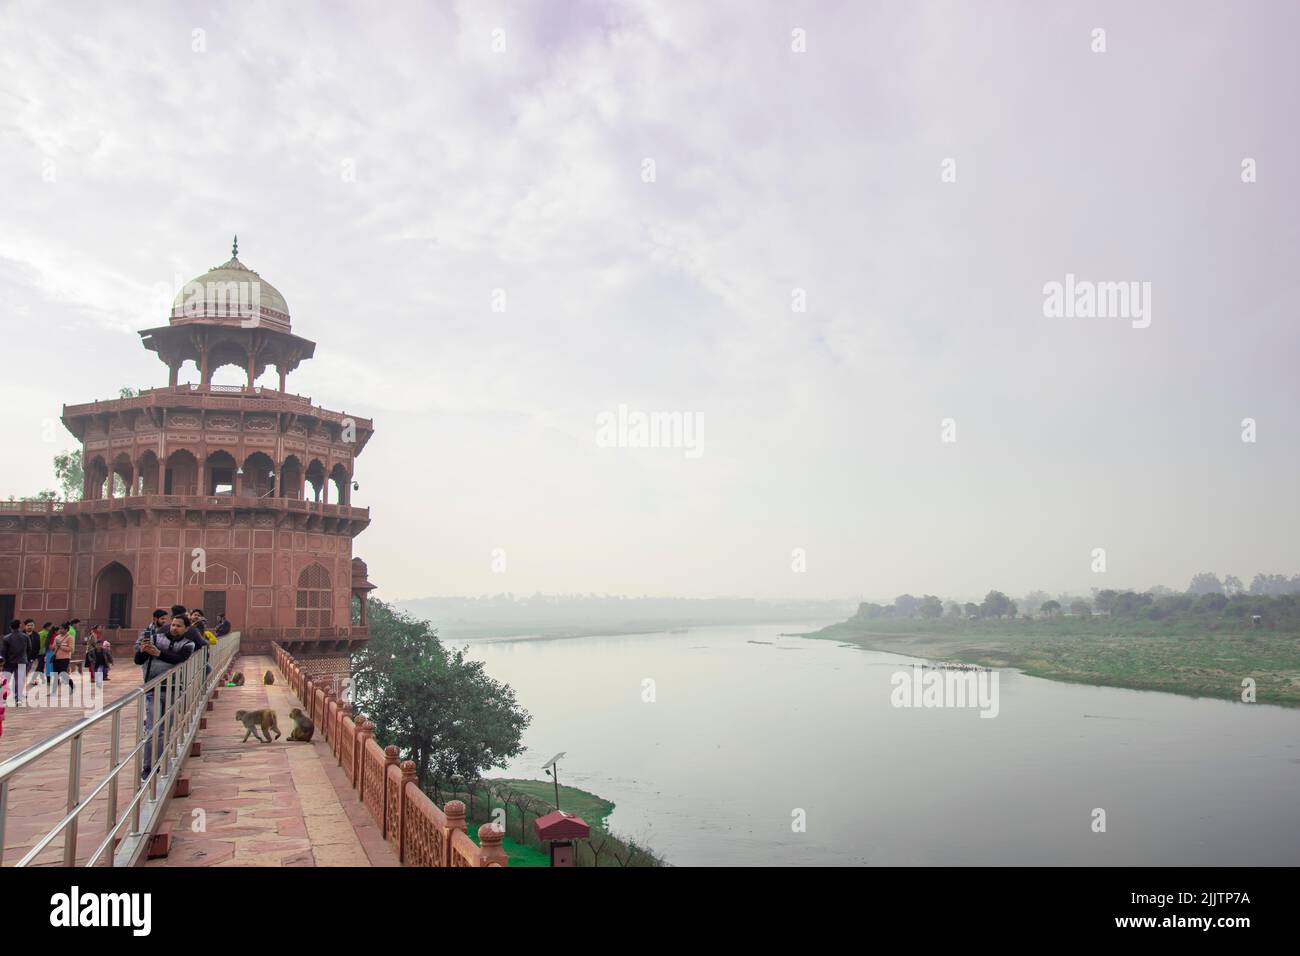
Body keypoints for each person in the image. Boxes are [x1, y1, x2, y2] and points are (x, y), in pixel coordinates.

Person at [135, 609, 193, 781]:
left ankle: (158, 761)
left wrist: (158, 653)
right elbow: (138, 660)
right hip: (153, 688)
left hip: (173, 689)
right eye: (173, 624)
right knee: (153, 729)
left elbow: (179, 659)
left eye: (178, 626)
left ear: (186, 628)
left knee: (165, 729)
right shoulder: (155, 638)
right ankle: (149, 766)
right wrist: (144, 650)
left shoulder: (188, 644)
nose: (174, 628)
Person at [1, 619, 28, 706]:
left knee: (5, 681)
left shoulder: (6, 638)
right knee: (19, 681)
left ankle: (3, 699)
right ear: (20, 625)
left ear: (10, 627)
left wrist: (3, 661)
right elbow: (29, 649)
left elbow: (3, 652)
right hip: (22, 661)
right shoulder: (25, 637)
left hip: (9, 663)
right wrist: (25, 657)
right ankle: (18, 699)